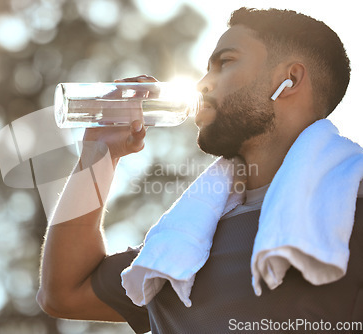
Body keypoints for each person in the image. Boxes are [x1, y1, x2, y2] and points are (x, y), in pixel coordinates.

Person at [37, 7, 363, 333]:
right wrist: (98, 154)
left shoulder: (350, 213)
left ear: (288, 79)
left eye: (225, 62)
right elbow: (64, 292)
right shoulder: (182, 246)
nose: (204, 83)